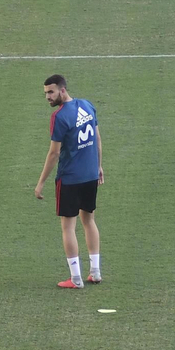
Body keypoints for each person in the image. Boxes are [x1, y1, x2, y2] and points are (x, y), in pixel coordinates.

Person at [34, 74, 102, 289]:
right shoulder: (87, 105)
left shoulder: (60, 116)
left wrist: (41, 182)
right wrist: (98, 166)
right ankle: (95, 272)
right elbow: (97, 139)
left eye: (51, 92)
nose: (48, 97)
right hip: (90, 175)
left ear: (62, 90)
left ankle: (75, 279)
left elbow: (54, 153)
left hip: (70, 179)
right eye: (45, 93)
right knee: (89, 220)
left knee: (68, 227)